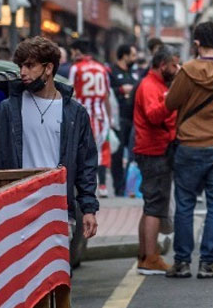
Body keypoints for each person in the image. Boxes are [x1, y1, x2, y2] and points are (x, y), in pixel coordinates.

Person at [0, 37, 99, 238]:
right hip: (17, 207)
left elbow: (86, 164)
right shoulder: (8, 110)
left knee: (57, 269)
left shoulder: (74, 113)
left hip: (57, 208)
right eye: (20, 66)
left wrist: (89, 209)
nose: (23, 72)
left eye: (30, 65)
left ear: (49, 68)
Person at [164, 21, 213, 279]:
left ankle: (182, 262)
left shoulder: (186, 71)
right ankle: (208, 262)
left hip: (189, 144)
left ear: (196, 43)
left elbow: (171, 103)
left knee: (185, 205)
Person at [132, 46, 180, 275]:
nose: (177, 69)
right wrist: (171, 101)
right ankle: (150, 257)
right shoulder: (151, 86)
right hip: (154, 151)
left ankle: (145, 254)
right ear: (163, 65)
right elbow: (153, 115)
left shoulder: (155, 84)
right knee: (155, 206)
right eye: (174, 65)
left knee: (151, 204)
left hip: (153, 150)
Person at [69, 39, 113, 197]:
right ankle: (102, 186)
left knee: (82, 152)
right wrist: (110, 118)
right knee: (101, 151)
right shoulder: (102, 69)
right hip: (101, 116)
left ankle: (84, 187)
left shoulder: (76, 68)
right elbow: (107, 95)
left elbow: (71, 93)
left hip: (82, 116)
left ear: (77, 52)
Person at [109, 44, 139, 197]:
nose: (135, 59)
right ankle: (119, 188)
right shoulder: (112, 72)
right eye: (132, 55)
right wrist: (121, 90)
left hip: (133, 118)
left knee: (133, 155)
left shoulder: (134, 74)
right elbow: (106, 92)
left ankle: (129, 186)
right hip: (118, 119)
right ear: (124, 56)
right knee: (118, 156)